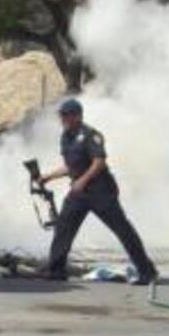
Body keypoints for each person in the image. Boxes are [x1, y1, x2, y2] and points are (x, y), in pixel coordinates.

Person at [38, 99, 158, 285]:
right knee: (63, 227)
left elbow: (99, 161)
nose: (63, 119)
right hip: (79, 192)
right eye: (61, 115)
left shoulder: (90, 135)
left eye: (66, 115)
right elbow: (71, 166)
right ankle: (56, 270)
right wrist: (49, 176)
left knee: (122, 229)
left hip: (100, 190)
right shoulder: (66, 136)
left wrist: (83, 180)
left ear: (77, 115)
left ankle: (147, 271)